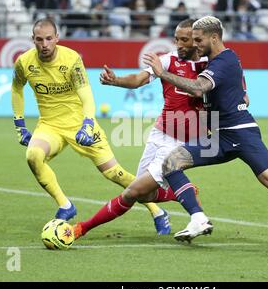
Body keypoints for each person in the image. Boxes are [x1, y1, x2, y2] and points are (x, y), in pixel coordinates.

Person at [142, 16, 268, 254]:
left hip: (241, 134)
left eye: (199, 40)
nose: (194, 44)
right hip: (220, 136)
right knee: (171, 161)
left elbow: (199, 87)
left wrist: (162, 73)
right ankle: (198, 218)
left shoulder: (222, 62)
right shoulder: (219, 61)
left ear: (214, 38)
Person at [10, 18, 169, 235]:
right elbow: (16, 88)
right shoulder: (24, 62)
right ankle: (65, 206)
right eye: (39, 39)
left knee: (115, 173)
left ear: (57, 38)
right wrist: (19, 123)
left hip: (80, 124)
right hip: (50, 126)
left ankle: (157, 211)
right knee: (33, 156)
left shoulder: (72, 59)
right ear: (33, 40)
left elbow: (86, 94)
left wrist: (87, 124)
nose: (44, 44)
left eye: (49, 39)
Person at [72, 19, 208, 239]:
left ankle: (81, 228)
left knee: (132, 192)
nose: (179, 44)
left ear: (197, 41)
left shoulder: (208, 66)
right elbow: (138, 79)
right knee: (146, 196)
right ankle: (183, 192)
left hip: (179, 144)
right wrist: (116, 80)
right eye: (177, 39)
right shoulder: (167, 60)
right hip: (159, 134)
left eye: (185, 40)